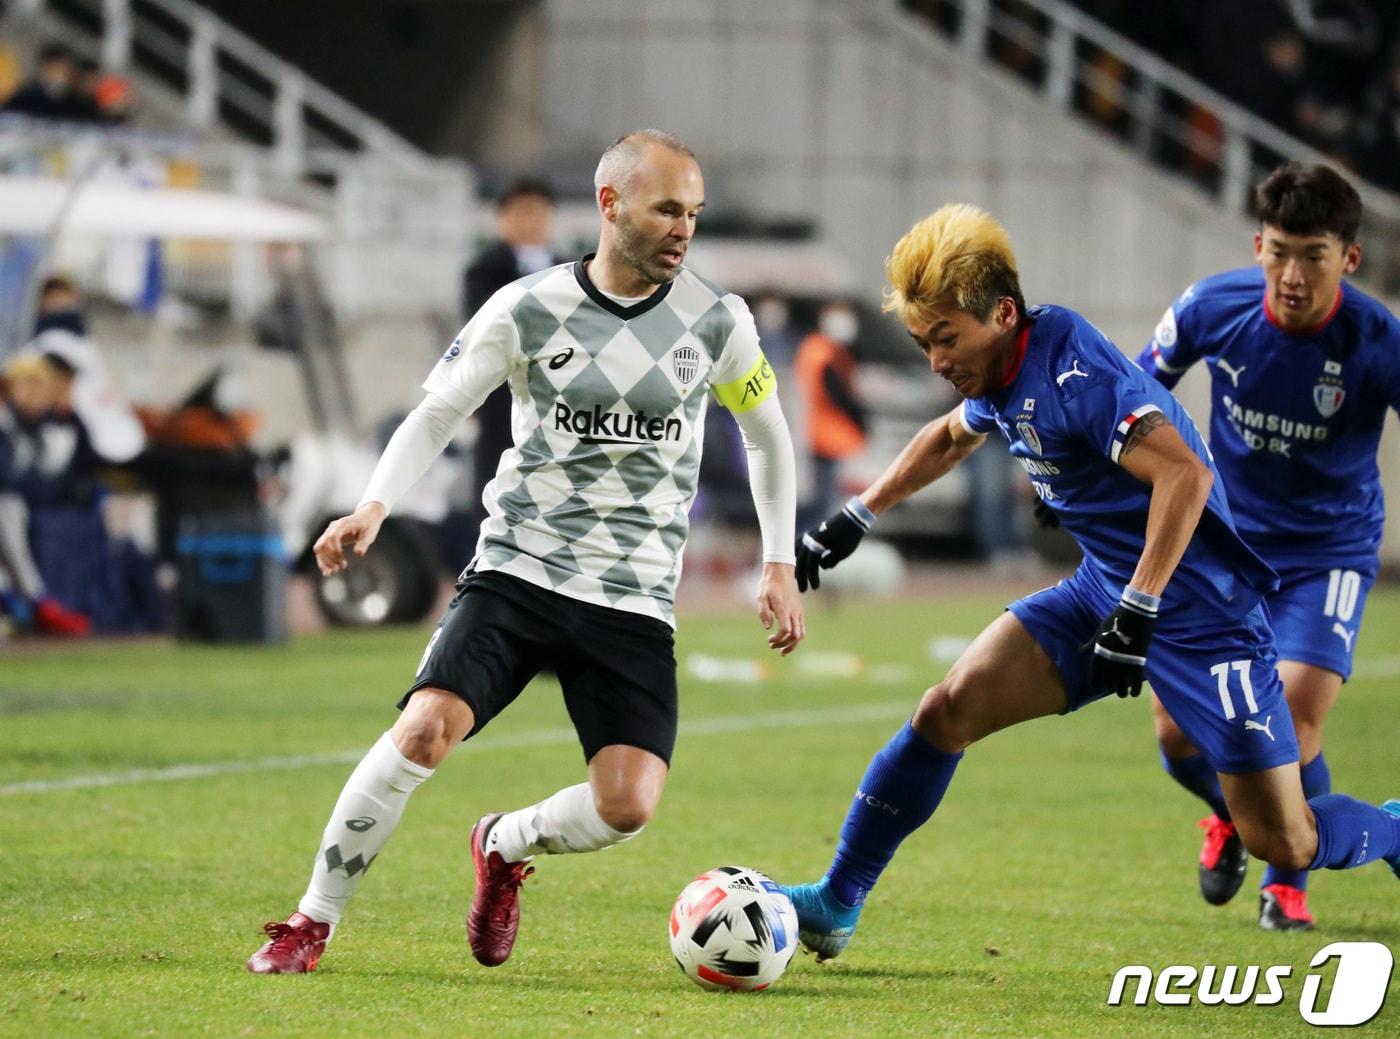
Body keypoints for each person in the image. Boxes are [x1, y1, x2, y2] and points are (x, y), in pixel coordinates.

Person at [778, 203, 1400, 961]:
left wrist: (1139, 611)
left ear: (1002, 313)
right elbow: (950, 434)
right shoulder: (998, 365)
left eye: (946, 338)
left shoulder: (1073, 366)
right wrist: (859, 513)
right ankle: (837, 900)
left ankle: (1391, 827)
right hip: (1104, 590)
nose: (936, 359)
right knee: (946, 707)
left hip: (1204, 615)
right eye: (923, 341)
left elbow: (1185, 472)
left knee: (1287, 836)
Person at [246, 129, 805, 974]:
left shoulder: (717, 322)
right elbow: (438, 410)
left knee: (627, 807)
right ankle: (309, 921)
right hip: (521, 568)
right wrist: (374, 502)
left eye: (693, 212)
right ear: (610, 204)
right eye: (666, 209)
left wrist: (778, 561)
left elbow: (766, 435)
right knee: (425, 729)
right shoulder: (526, 307)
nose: (684, 228)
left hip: (634, 596)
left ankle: (502, 845)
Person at [1137, 162, 1400, 930]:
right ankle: (1236, 815)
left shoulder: (1377, 341)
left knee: (1290, 714)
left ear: (1348, 259)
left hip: (1329, 553)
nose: (1291, 274)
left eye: (1312, 255)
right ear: (1257, 245)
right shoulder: (1209, 309)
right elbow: (1139, 387)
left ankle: (1286, 880)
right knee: (1177, 729)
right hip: (1223, 544)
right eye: (1279, 251)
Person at [462, 178, 562, 543]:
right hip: (501, 395)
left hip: (558, 398)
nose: (530, 221)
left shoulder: (573, 270)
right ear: (502, 219)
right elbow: (482, 332)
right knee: (496, 480)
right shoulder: (483, 270)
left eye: (538, 212)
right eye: (520, 212)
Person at [794, 299, 867, 524]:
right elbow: (838, 394)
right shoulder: (823, 351)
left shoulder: (826, 349)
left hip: (827, 435)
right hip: (829, 436)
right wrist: (861, 420)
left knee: (824, 499)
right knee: (825, 502)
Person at [1, 43, 75, 119]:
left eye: (64, 70)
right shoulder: (26, 96)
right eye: (56, 69)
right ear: (45, 68)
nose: (59, 74)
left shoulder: (73, 103)